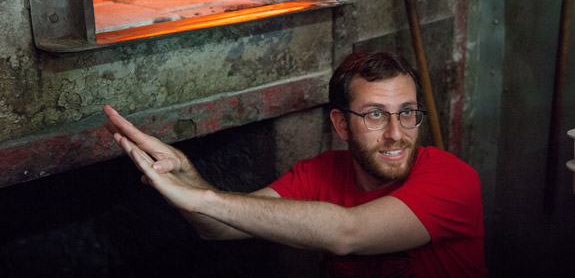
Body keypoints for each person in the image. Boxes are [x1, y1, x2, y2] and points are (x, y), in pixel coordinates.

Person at [103, 51, 487, 277]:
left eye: (406, 112)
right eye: (374, 115)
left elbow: (348, 233)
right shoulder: (318, 172)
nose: (396, 133)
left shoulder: (451, 179)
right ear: (341, 124)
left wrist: (202, 198)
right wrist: (185, 174)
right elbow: (219, 230)